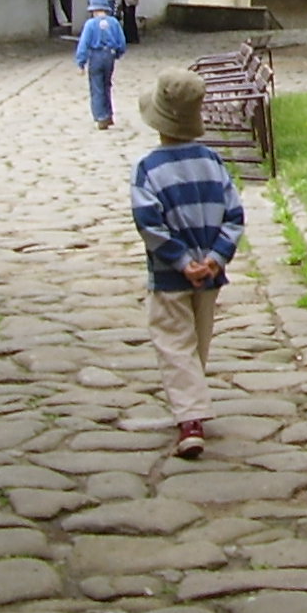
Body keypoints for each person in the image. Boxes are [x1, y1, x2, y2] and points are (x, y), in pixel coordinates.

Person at [131, 68, 244, 458]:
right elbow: (234, 215)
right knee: (198, 341)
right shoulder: (213, 162)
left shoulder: (149, 169)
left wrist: (181, 260)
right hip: (210, 276)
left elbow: (148, 223)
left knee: (173, 343)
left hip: (169, 276)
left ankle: (190, 418)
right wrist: (215, 258)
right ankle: (190, 403)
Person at [74, 0, 127, 129]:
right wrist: (118, 53)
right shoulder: (114, 22)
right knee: (106, 85)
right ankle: (109, 114)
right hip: (109, 55)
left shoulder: (90, 24)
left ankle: (101, 116)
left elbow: (84, 44)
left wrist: (81, 62)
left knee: (96, 87)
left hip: (96, 56)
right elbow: (121, 41)